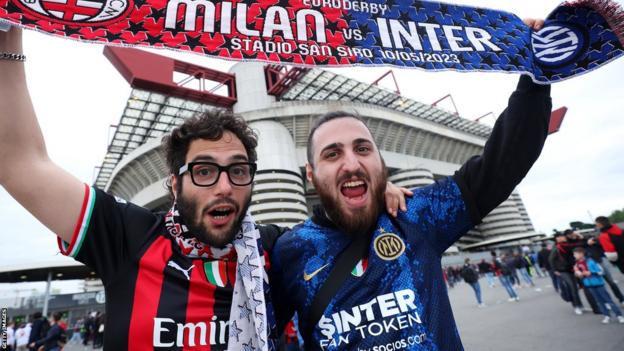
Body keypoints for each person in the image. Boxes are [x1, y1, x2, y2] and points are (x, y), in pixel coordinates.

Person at [0, 27, 409, 350]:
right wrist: (8, 42)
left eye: (238, 171)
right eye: (205, 172)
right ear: (175, 185)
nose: (225, 186)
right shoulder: (128, 236)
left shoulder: (277, 250)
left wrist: (374, 188)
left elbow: (347, 226)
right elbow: (18, 162)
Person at [269, 18, 550, 350]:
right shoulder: (289, 250)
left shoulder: (417, 215)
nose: (351, 163)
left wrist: (536, 77)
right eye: (332, 154)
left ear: (380, 162)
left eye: (362, 149)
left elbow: (503, 163)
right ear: (311, 175)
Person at [573, 247, 624, 324]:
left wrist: (591, 273)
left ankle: (619, 315)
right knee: (599, 301)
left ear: (581, 254)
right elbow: (578, 274)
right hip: (589, 285)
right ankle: (607, 316)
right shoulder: (576, 265)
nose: (574, 256)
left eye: (575, 254)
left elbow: (601, 271)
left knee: (608, 300)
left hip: (598, 284)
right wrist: (578, 274)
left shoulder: (591, 261)